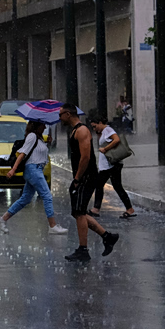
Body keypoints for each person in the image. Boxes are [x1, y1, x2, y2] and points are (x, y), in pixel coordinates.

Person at [59, 104, 119, 261]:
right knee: (78, 212)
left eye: (61, 115)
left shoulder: (82, 130)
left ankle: (83, 250)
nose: (59, 118)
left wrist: (77, 178)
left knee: (79, 212)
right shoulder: (75, 131)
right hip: (82, 177)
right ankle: (107, 237)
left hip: (86, 177)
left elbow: (85, 157)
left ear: (68, 114)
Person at [0, 120, 67, 235]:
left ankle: (2, 219)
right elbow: (22, 154)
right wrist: (13, 169)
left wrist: (47, 143)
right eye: (43, 125)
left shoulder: (38, 138)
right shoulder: (32, 136)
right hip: (33, 169)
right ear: (36, 126)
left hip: (36, 169)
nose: (45, 127)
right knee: (47, 196)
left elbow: (38, 153)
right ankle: (52, 226)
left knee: (26, 198)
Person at [88, 115, 135, 218]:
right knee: (116, 186)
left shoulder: (107, 129)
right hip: (108, 165)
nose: (94, 129)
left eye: (95, 126)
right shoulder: (103, 131)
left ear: (100, 123)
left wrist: (105, 149)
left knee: (100, 185)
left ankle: (96, 209)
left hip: (111, 165)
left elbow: (116, 139)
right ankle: (129, 208)